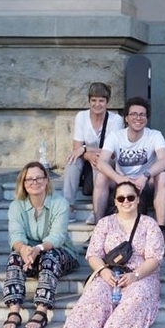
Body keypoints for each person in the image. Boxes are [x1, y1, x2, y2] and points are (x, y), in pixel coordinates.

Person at [51, 181, 164, 328]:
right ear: (115, 201)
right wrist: (103, 271)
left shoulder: (149, 224)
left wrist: (135, 276)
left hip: (140, 275)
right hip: (109, 272)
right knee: (93, 295)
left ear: (137, 200)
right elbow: (93, 254)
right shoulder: (105, 223)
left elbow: (154, 258)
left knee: (137, 296)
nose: (126, 201)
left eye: (130, 197)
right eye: (121, 198)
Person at [1, 162, 79, 328]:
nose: (34, 182)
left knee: (49, 255)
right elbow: (15, 234)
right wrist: (23, 249)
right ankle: (14, 311)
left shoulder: (59, 203)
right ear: (23, 183)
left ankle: (41, 310)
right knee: (14, 256)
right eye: (29, 179)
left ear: (46, 180)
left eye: (38, 178)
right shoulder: (16, 206)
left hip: (61, 254)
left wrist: (38, 249)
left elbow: (57, 237)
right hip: (29, 256)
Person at [93, 96, 165, 248]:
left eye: (142, 114)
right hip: (122, 184)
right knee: (101, 176)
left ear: (147, 118)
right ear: (126, 118)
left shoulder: (155, 135)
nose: (138, 118)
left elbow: (164, 161)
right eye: (134, 114)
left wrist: (145, 176)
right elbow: (102, 162)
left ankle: (161, 230)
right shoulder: (115, 136)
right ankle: (98, 228)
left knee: (162, 176)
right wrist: (119, 178)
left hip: (145, 184)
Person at [63, 82, 123, 223]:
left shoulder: (116, 120)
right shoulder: (81, 117)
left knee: (101, 160)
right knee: (72, 161)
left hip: (109, 160)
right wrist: (86, 154)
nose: (97, 104)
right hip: (86, 161)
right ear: (89, 101)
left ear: (107, 102)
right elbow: (76, 148)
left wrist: (86, 149)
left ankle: (96, 210)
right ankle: (67, 207)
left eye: (101, 100)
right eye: (94, 100)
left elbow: (112, 152)